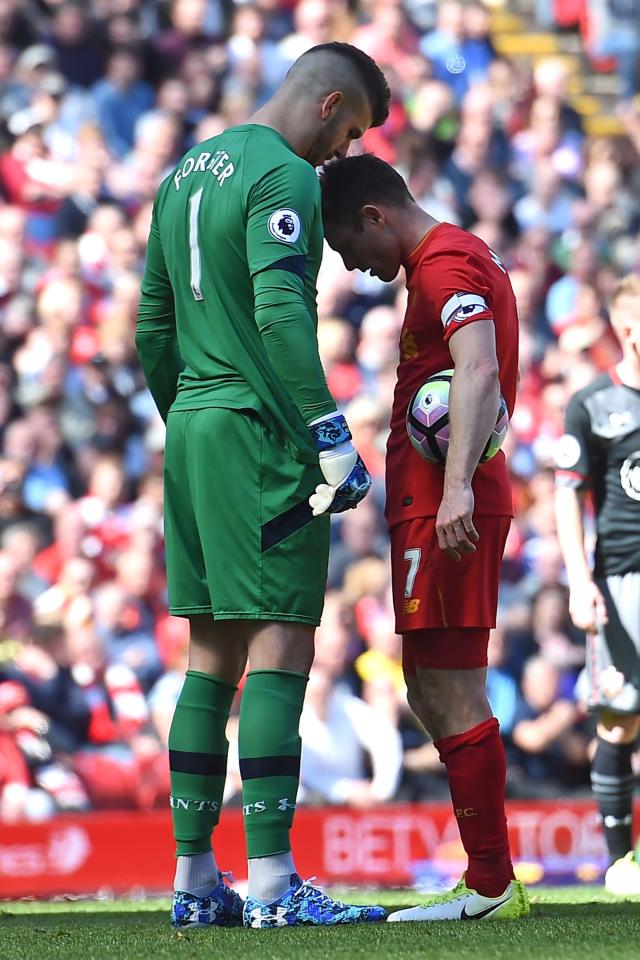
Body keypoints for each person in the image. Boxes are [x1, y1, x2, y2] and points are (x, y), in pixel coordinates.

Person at [136, 43, 390, 929]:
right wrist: (326, 433)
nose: (342, 155)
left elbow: (153, 322)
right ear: (327, 105)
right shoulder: (282, 176)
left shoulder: (182, 174)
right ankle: (278, 885)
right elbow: (282, 316)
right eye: (350, 130)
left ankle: (196, 882)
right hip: (257, 433)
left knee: (210, 663)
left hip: (195, 429)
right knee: (283, 650)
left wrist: (188, 416)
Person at [319, 154, 529, 921]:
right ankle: (490, 877)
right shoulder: (456, 258)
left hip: (449, 506)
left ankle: (489, 884)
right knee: (433, 683)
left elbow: (476, 375)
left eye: (349, 248)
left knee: (445, 684)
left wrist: (456, 487)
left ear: (374, 216)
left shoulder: (442, 265)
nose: (358, 268)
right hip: (446, 500)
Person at [555, 274, 640, 895]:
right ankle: (620, 862)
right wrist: (580, 580)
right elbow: (567, 496)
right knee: (619, 719)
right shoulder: (592, 404)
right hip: (622, 580)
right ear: (629, 330)